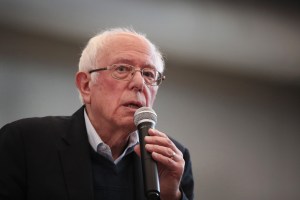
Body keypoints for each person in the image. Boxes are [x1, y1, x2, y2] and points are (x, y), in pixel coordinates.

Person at [0, 28, 194, 200]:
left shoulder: (171, 157)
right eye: (122, 69)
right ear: (86, 85)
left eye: (149, 74)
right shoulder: (25, 141)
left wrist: (171, 197)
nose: (139, 83)